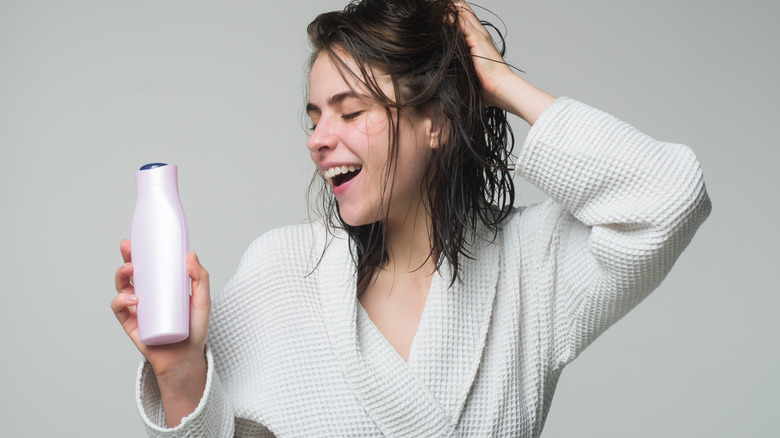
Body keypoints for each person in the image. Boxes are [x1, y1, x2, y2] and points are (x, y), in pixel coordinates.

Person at [111, 0, 711, 436]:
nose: (319, 138)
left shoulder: (532, 264)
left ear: (437, 122)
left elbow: (667, 196)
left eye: (351, 112)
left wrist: (497, 82)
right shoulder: (281, 270)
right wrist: (182, 370)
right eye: (315, 116)